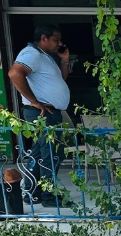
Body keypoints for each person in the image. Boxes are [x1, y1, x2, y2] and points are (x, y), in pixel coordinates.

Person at [8, 25, 72, 206]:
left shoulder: (45, 57)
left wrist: (65, 60)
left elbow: (61, 81)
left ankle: (31, 192)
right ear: (44, 38)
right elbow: (14, 73)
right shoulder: (32, 54)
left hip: (49, 111)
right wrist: (34, 101)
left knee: (39, 153)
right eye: (55, 39)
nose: (59, 43)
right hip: (42, 112)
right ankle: (48, 196)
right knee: (50, 154)